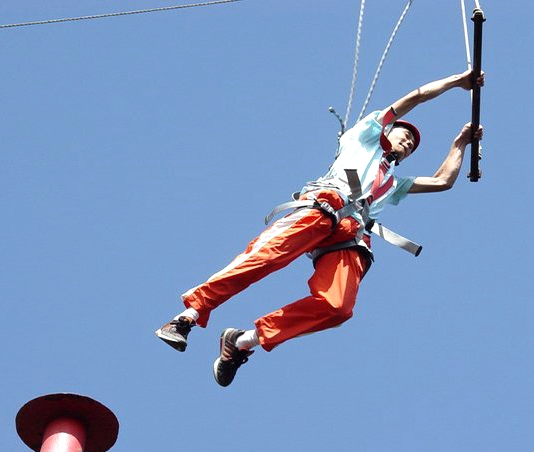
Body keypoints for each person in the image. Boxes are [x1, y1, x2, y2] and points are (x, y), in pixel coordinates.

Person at [156, 69, 485, 387]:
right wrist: (458, 81)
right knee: (265, 257)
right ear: (388, 130)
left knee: (337, 307)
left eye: (413, 144)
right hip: (327, 205)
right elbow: (414, 97)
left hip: (351, 235)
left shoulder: (393, 182)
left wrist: (460, 143)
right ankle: (188, 315)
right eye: (405, 134)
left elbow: (443, 181)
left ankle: (242, 342)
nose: (409, 141)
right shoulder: (366, 135)